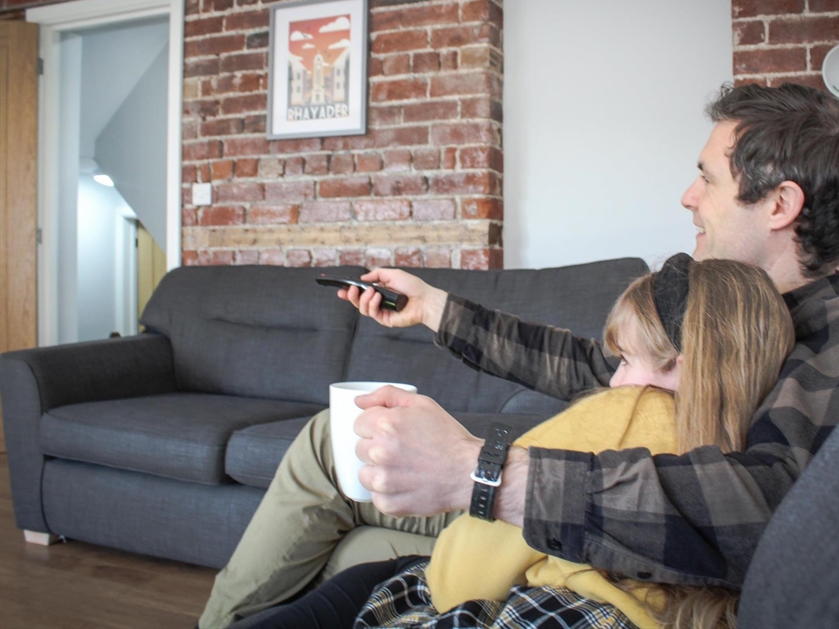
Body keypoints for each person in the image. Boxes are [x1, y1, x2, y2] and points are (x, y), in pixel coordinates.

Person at [199, 83, 839, 628]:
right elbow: (596, 368)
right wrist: (434, 308)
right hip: (574, 498)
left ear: (778, 203)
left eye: (706, 178)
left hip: (588, 530)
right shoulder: (719, 301)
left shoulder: (836, 328)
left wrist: (482, 474)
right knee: (349, 512)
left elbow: (761, 506)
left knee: (335, 454)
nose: (687, 196)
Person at [243, 255, 796, 629]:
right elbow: (570, 362)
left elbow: (463, 576)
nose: (615, 380)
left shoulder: (642, 409)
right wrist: (433, 307)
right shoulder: (732, 406)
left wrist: (471, 466)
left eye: (625, 361)